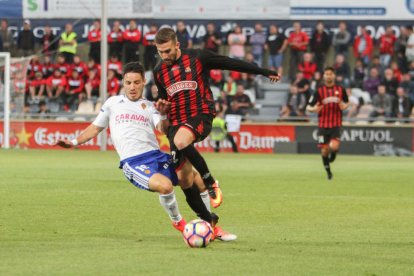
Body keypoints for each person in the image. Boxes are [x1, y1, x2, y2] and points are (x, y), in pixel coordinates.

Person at [153, 27, 279, 208]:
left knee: (181, 141)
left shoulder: (198, 57)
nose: (164, 56)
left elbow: (230, 63)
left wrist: (263, 71)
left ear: (177, 45)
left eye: (168, 51)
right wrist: (162, 110)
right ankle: (208, 222)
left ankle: (211, 182)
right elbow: (164, 100)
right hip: (176, 121)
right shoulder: (159, 72)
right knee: (184, 179)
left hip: (200, 114)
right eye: (160, 52)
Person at [55, 62, 187, 234]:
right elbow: (95, 127)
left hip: (156, 155)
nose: (132, 87)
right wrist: (73, 142)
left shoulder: (149, 106)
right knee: (165, 186)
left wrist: (162, 114)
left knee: (193, 178)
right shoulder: (113, 103)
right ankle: (178, 221)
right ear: (123, 82)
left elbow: (162, 129)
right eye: (128, 83)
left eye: (136, 82)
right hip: (133, 161)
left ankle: (211, 223)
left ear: (144, 82)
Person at [307, 67, 349, 180]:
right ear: (324, 76)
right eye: (326, 74)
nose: (328, 76)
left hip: (336, 124)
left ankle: (334, 154)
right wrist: (313, 109)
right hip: (322, 125)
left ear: (334, 75)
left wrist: (344, 106)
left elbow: (347, 102)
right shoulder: (319, 91)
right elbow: (309, 106)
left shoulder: (340, 89)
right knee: (324, 150)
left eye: (330, 74)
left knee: (334, 146)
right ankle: (329, 173)